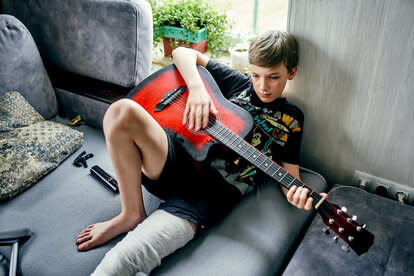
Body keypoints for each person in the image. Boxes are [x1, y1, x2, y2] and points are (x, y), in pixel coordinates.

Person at [76, 30, 326, 275]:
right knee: (122, 110)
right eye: (256, 75)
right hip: (176, 158)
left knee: (122, 261)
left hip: (208, 192)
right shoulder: (237, 83)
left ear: (291, 73)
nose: (262, 86)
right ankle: (131, 213)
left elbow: (290, 175)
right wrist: (197, 91)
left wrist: (298, 195)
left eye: (273, 77)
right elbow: (182, 53)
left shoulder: (292, 118)